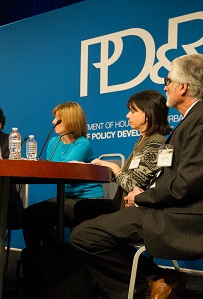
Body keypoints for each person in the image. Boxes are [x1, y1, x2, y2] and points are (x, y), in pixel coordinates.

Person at [70, 53, 203, 299]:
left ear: (182, 87)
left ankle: (148, 285)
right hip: (165, 206)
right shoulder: (190, 121)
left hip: (180, 217)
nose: (165, 86)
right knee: (83, 220)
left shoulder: (199, 120)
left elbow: (186, 184)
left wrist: (143, 197)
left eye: (168, 80)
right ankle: (156, 281)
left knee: (84, 236)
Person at [21, 102, 104, 296]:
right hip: (66, 197)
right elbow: (50, 171)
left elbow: (63, 170)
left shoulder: (83, 143)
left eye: (57, 119)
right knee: (30, 215)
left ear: (70, 120)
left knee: (40, 214)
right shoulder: (54, 142)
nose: (53, 122)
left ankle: (55, 262)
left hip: (87, 199)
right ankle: (43, 263)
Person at [73, 90, 172, 224]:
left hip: (136, 212)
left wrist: (114, 167)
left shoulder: (156, 143)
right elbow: (126, 178)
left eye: (133, 111)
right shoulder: (142, 140)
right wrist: (98, 167)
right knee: (82, 208)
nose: (127, 115)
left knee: (82, 228)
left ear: (148, 114)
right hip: (120, 204)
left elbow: (133, 185)